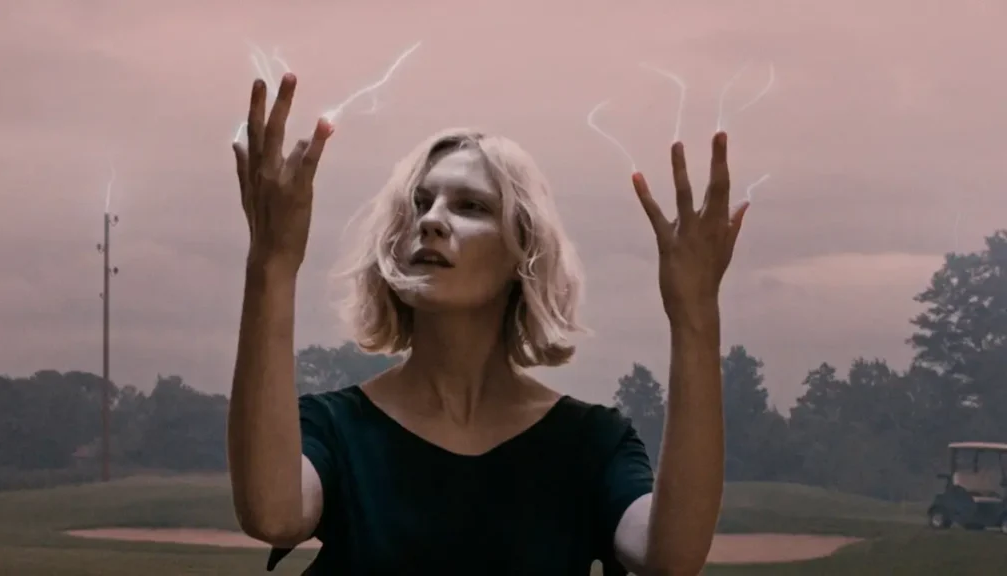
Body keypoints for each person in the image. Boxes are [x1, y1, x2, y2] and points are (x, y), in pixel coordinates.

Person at [227, 73, 749, 576]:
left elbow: (670, 558)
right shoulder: (337, 428)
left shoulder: (590, 443)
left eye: (470, 206)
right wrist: (271, 262)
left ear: (524, 251)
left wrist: (695, 312)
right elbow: (273, 516)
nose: (431, 220)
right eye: (419, 203)